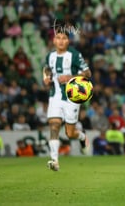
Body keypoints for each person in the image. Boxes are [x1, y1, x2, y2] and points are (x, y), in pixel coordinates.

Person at [43, 25, 92, 171]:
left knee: (70, 133)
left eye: (64, 38)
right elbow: (47, 68)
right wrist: (46, 77)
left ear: (68, 41)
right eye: (58, 38)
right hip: (55, 95)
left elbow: (87, 73)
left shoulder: (74, 55)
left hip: (72, 96)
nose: (60, 41)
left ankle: (82, 137)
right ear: (54, 40)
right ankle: (54, 161)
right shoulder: (50, 56)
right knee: (54, 125)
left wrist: (70, 77)